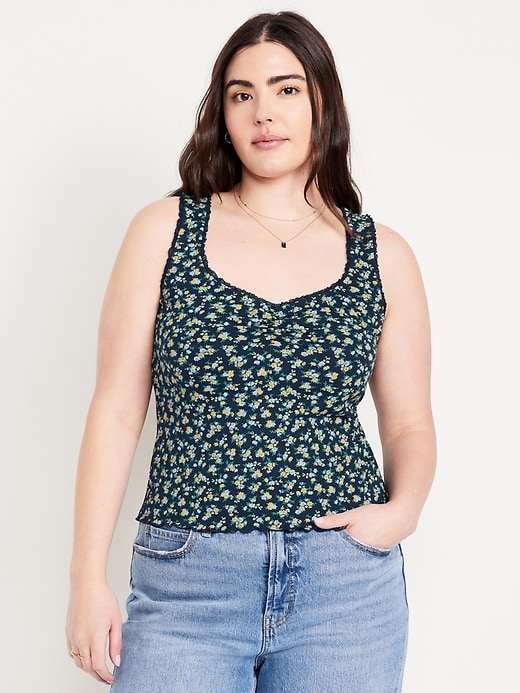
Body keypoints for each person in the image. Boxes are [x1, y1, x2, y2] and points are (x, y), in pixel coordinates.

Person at [66, 10, 436, 692]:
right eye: (242, 94)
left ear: (322, 101)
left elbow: (409, 423)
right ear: (224, 115)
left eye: (286, 89)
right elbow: (116, 410)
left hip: (345, 587)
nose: (264, 112)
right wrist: (87, 578)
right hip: (188, 582)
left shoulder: (381, 254)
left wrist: (401, 512)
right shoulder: (164, 232)